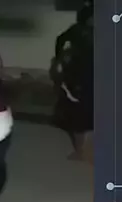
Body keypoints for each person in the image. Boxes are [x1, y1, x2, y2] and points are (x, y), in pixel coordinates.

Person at [50, 0, 94, 161]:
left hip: (90, 78)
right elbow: (60, 40)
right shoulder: (78, 31)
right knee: (78, 116)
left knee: (85, 115)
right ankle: (80, 150)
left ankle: (84, 149)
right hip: (80, 79)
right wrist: (59, 58)